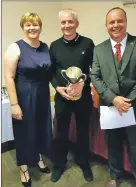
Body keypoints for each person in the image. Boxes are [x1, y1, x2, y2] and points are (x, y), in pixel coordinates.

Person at [90, 7, 136, 187]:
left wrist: (127, 100)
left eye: (120, 21)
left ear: (126, 22)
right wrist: (113, 99)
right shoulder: (98, 49)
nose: (116, 25)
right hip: (110, 106)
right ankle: (115, 175)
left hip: (133, 107)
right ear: (106, 25)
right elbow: (95, 76)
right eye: (112, 22)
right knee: (113, 144)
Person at [4, 12, 53, 187]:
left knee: (40, 128)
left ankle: (38, 158)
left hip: (42, 95)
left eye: (35, 25)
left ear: (40, 27)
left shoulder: (45, 47)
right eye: (28, 25)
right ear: (23, 27)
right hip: (24, 96)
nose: (32, 28)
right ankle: (24, 168)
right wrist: (14, 104)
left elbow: (50, 72)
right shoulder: (15, 47)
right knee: (24, 132)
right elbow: (9, 78)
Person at [49, 8, 95, 182]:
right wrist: (57, 88)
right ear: (60, 24)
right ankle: (59, 165)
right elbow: (51, 72)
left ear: (76, 23)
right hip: (63, 98)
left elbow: (95, 69)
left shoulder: (88, 43)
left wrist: (84, 83)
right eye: (63, 22)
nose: (67, 25)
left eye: (70, 21)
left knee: (83, 132)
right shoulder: (54, 45)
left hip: (83, 97)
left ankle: (83, 162)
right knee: (61, 132)